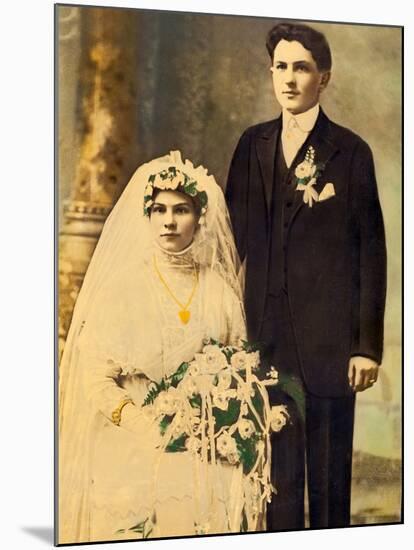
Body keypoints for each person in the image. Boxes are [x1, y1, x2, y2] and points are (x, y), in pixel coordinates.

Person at [58, 151, 273, 544]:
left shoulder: (219, 291)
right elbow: (97, 380)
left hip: (203, 441)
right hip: (132, 434)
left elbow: (239, 371)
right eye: (159, 209)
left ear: (200, 217)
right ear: (148, 216)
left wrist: (213, 423)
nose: (170, 221)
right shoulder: (123, 289)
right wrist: (145, 426)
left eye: (182, 209)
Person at [226, 22, 386, 530]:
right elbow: (232, 242)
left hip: (330, 346)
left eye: (302, 68)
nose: (289, 79)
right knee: (276, 481)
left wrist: (366, 346)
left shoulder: (350, 151)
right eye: (280, 67)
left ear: (325, 78)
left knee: (329, 483)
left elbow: (371, 253)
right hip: (265, 343)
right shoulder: (252, 145)